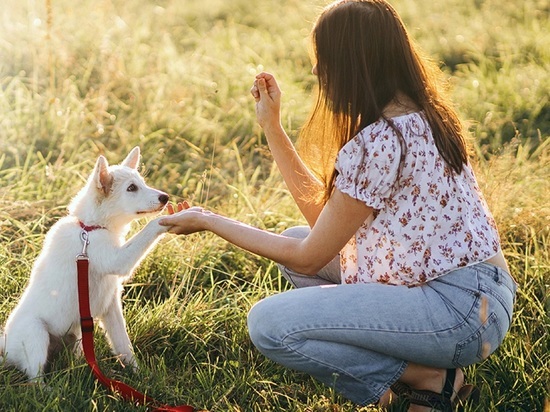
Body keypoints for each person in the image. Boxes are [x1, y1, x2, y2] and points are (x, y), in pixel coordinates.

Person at [159, 0, 517, 410]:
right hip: (481, 299)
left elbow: (311, 259)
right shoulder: (423, 117)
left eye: (322, 60)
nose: (315, 72)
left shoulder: (381, 142)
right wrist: (272, 127)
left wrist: (208, 220)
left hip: (459, 314)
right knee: (293, 242)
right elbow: (323, 230)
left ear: (351, 62)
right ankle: (429, 378)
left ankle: (429, 377)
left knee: (269, 324)